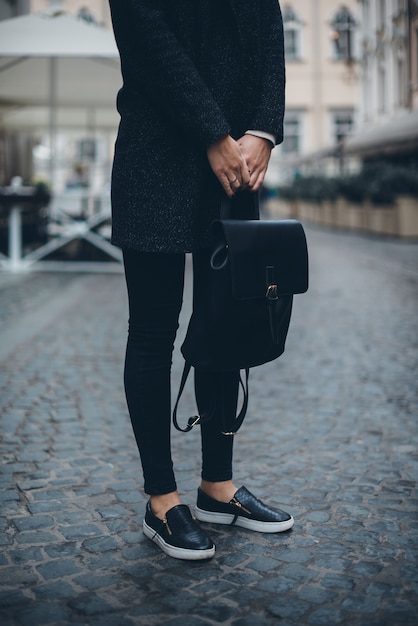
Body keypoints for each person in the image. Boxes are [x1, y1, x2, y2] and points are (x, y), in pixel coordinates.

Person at [109, 0, 294, 560]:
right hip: (156, 149)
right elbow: (148, 40)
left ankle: (218, 486)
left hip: (237, 160)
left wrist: (263, 130)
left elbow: (268, 34)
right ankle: (162, 500)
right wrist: (213, 132)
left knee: (228, 321)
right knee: (152, 330)